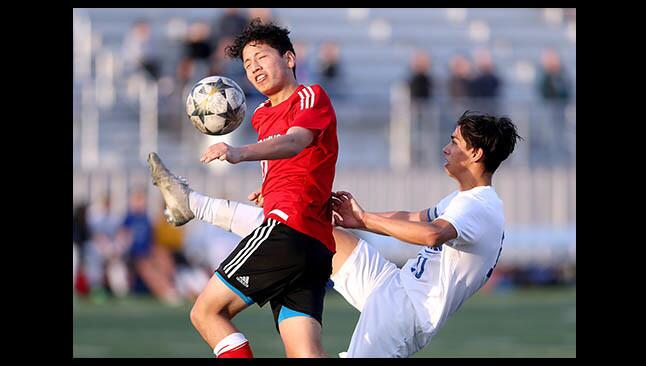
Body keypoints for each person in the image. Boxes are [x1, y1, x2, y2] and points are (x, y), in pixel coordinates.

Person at [148, 110, 521, 357]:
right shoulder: (469, 200)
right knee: (306, 223)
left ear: (475, 154)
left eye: (454, 142)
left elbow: (430, 235)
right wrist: (355, 218)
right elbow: (415, 216)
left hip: (406, 314)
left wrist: (366, 220)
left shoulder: (480, 206)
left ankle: (196, 205)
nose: (446, 147)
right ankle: (193, 204)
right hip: (393, 285)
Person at [148, 18, 339, 358]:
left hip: (288, 230)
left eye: (262, 57)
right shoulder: (262, 114)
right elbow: (296, 162)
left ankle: (190, 203)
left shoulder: (310, 95)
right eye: (248, 64)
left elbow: (295, 142)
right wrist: (269, 188)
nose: (254, 68)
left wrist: (239, 153)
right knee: (305, 353)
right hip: (313, 246)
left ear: (289, 59)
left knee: (206, 312)